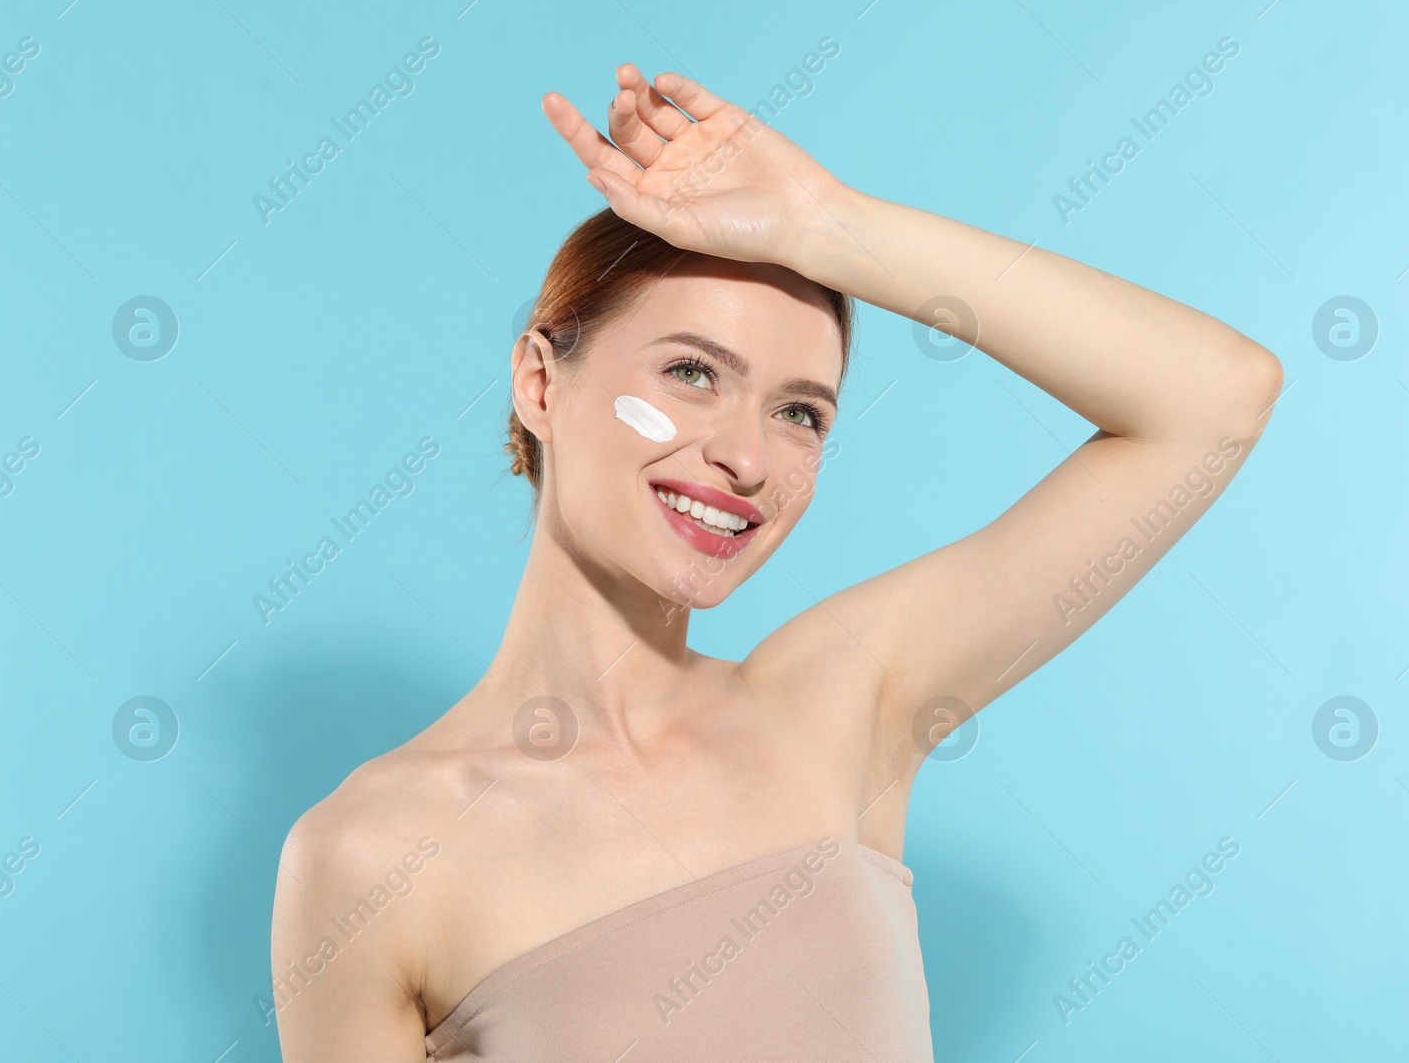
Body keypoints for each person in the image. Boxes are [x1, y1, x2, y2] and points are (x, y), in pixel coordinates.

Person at [271, 63, 1282, 1062]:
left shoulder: (843, 702)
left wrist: (827, 223)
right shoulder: (368, 856)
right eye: (692, 372)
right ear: (540, 384)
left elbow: (1211, 402)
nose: (747, 458)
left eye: (800, 411)